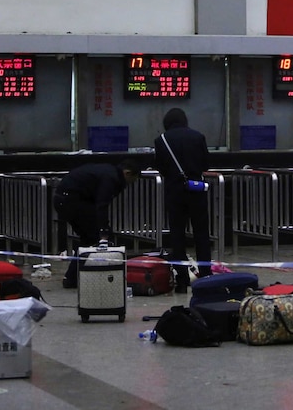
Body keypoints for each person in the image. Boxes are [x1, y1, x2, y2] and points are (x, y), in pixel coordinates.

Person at [53, 159, 141, 289]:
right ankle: (76, 277)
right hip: (72, 201)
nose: (130, 184)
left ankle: (74, 277)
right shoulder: (112, 178)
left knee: (88, 239)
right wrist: (103, 231)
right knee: (93, 238)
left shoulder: (108, 171)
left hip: (66, 199)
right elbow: (102, 204)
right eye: (132, 180)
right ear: (127, 173)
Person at [154, 107, 212, 294]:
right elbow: (206, 164)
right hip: (196, 191)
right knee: (201, 234)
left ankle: (181, 280)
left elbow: (161, 168)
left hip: (175, 193)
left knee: (177, 236)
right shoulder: (198, 137)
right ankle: (206, 276)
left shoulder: (161, 140)